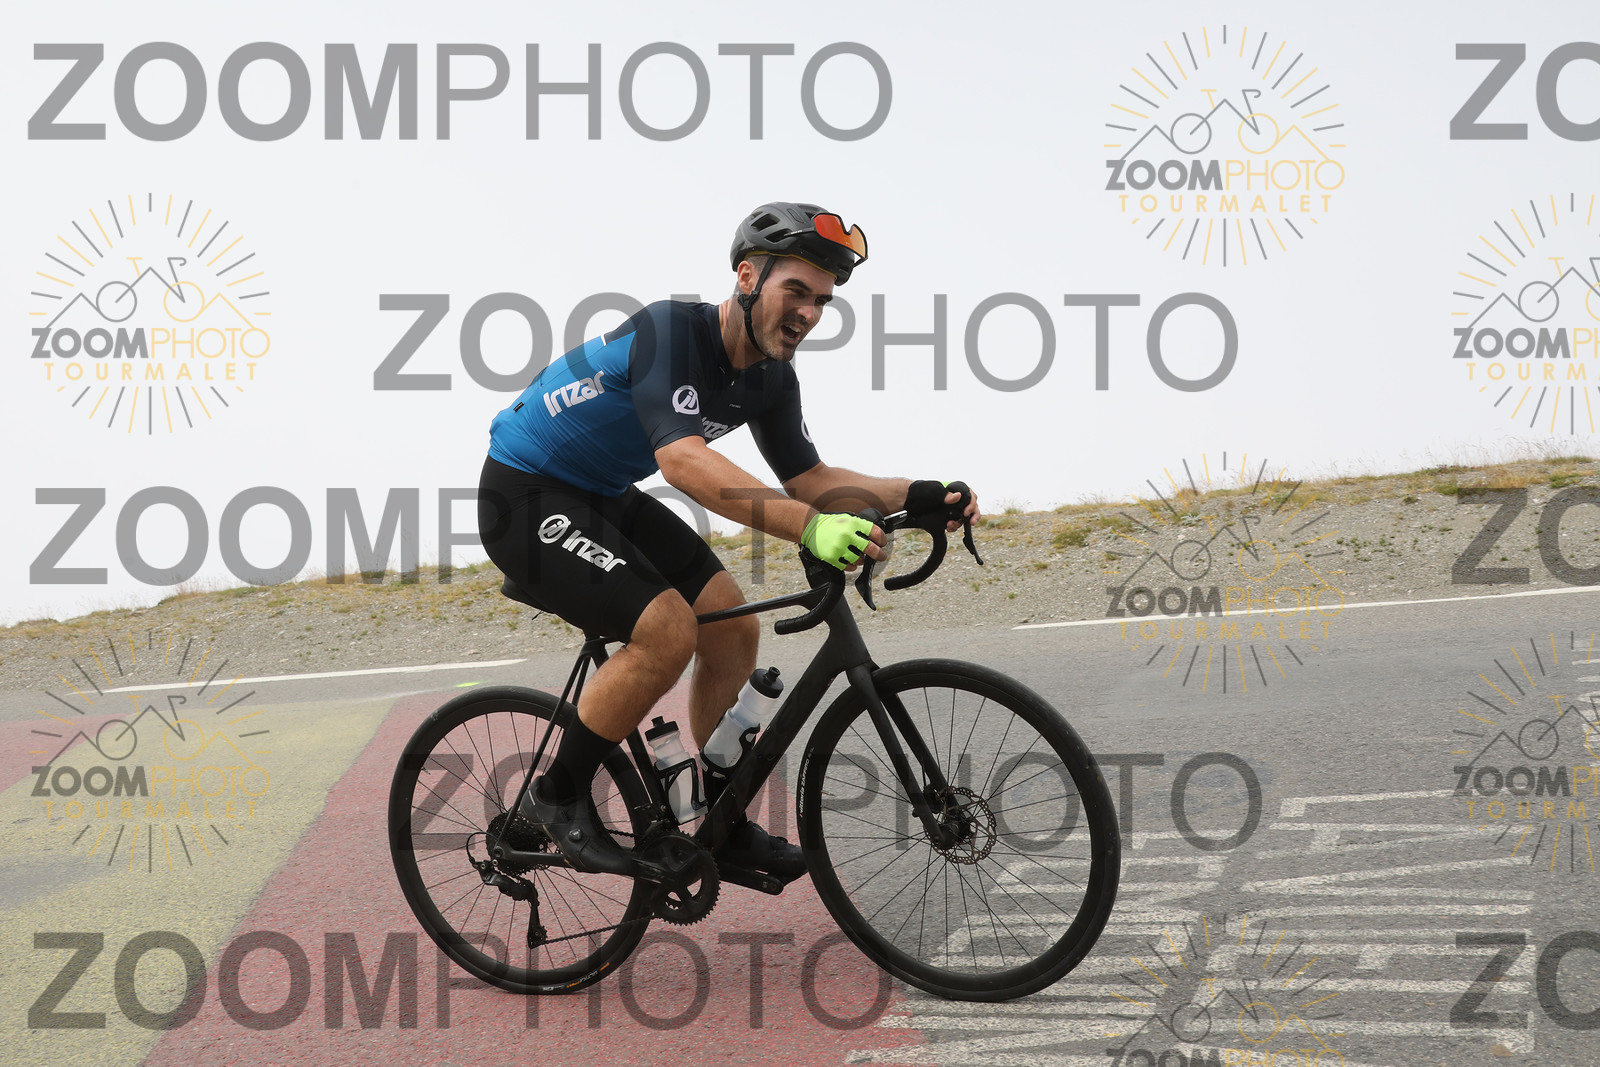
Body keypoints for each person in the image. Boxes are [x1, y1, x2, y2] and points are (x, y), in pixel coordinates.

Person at [476, 202, 980, 880]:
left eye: (822, 301)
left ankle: (721, 818)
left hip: (605, 495)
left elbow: (811, 479)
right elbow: (683, 461)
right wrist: (811, 527)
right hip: (524, 495)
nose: (808, 312)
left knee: (733, 625)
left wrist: (914, 492)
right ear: (747, 277)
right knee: (666, 630)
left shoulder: (771, 378)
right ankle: (555, 797)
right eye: (795, 290)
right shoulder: (669, 332)